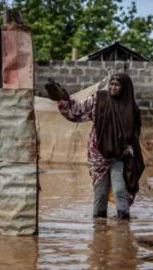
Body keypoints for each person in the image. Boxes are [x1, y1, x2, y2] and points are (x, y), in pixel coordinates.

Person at [45, 73, 144, 220]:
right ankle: (99, 225)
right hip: (98, 155)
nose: (113, 87)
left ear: (125, 88)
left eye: (117, 85)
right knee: (100, 192)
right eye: (111, 84)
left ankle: (123, 224)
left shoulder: (132, 109)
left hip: (121, 156)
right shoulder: (98, 99)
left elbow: (134, 136)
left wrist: (129, 153)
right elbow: (76, 111)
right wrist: (63, 99)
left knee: (119, 191)